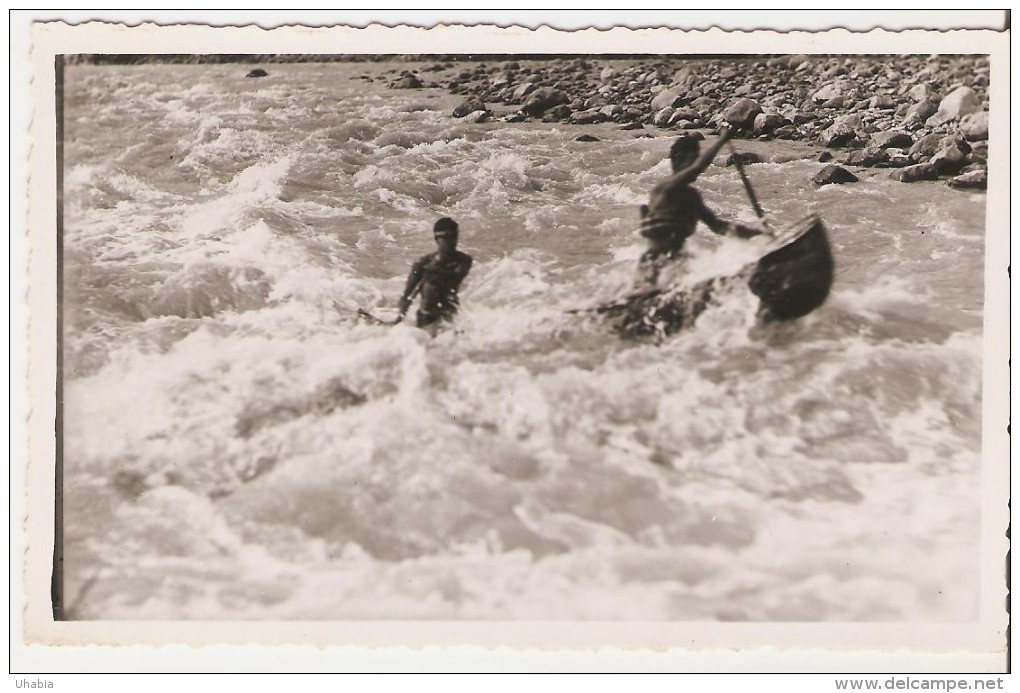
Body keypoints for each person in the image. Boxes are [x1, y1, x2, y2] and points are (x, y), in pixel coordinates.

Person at [637, 124, 763, 287]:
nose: (698, 163)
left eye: (697, 157)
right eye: (694, 157)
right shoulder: (665, 188)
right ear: (679, 160)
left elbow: (719, 227)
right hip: (652, 266)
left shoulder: (692, 197)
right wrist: (722, 139)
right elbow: (698, 168)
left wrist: (757, 233)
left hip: (676, 265)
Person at [398, 217, 473, 329]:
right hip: (427, 316)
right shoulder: (422, 264)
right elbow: (407, 294)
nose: (452, 241)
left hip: (450, 314)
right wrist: (403, 308)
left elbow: (456, 277)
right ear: (437, 239)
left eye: (454, 236)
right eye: (447, 237)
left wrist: (435, 270)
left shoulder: (464, 260)